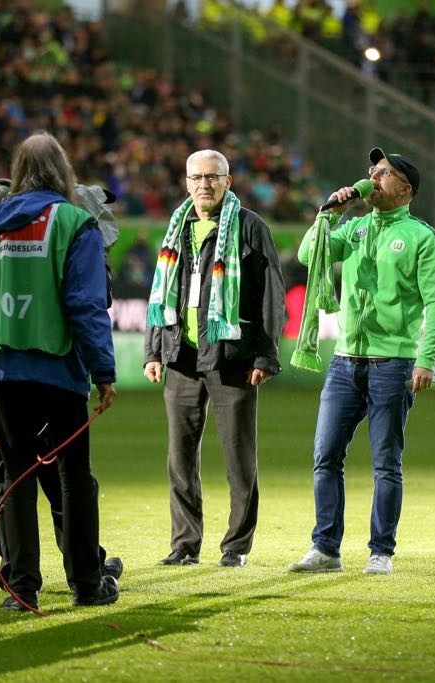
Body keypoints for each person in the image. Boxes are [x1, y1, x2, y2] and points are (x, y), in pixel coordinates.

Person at [0, 133, 120, 611]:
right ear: (63, 171)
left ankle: (21, 589)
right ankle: (87, 585)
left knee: (16, 478)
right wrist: (103, 373)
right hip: (60, 372)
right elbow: (86, 306)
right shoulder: (75, 222)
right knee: (74, 478)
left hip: (3, 373)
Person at [287, 147, 435, 576]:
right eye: (372, 170)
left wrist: (425, 360)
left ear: (405, 188)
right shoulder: (355, 227)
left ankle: (381, 552)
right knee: (325, 456)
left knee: (385, 463)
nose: (374, 178)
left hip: (393, 363)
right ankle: (325, 549)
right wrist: (328, 213)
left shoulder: (421, 237)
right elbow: (308, 256)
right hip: (344, 361)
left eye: (385, 173)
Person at [143, 149, 285, 569]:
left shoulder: (249, 227)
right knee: (180, 459)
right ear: (186, 182)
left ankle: (236, 547)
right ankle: (185, 545)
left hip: (232, 358)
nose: (204, 184)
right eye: (196, 177)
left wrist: (265, 354)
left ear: (227, 181)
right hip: (181, 356)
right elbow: (161, 292)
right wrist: (154, 350)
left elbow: (271, 296)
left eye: (212, 177)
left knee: (239, 458)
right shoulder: (177, 226)